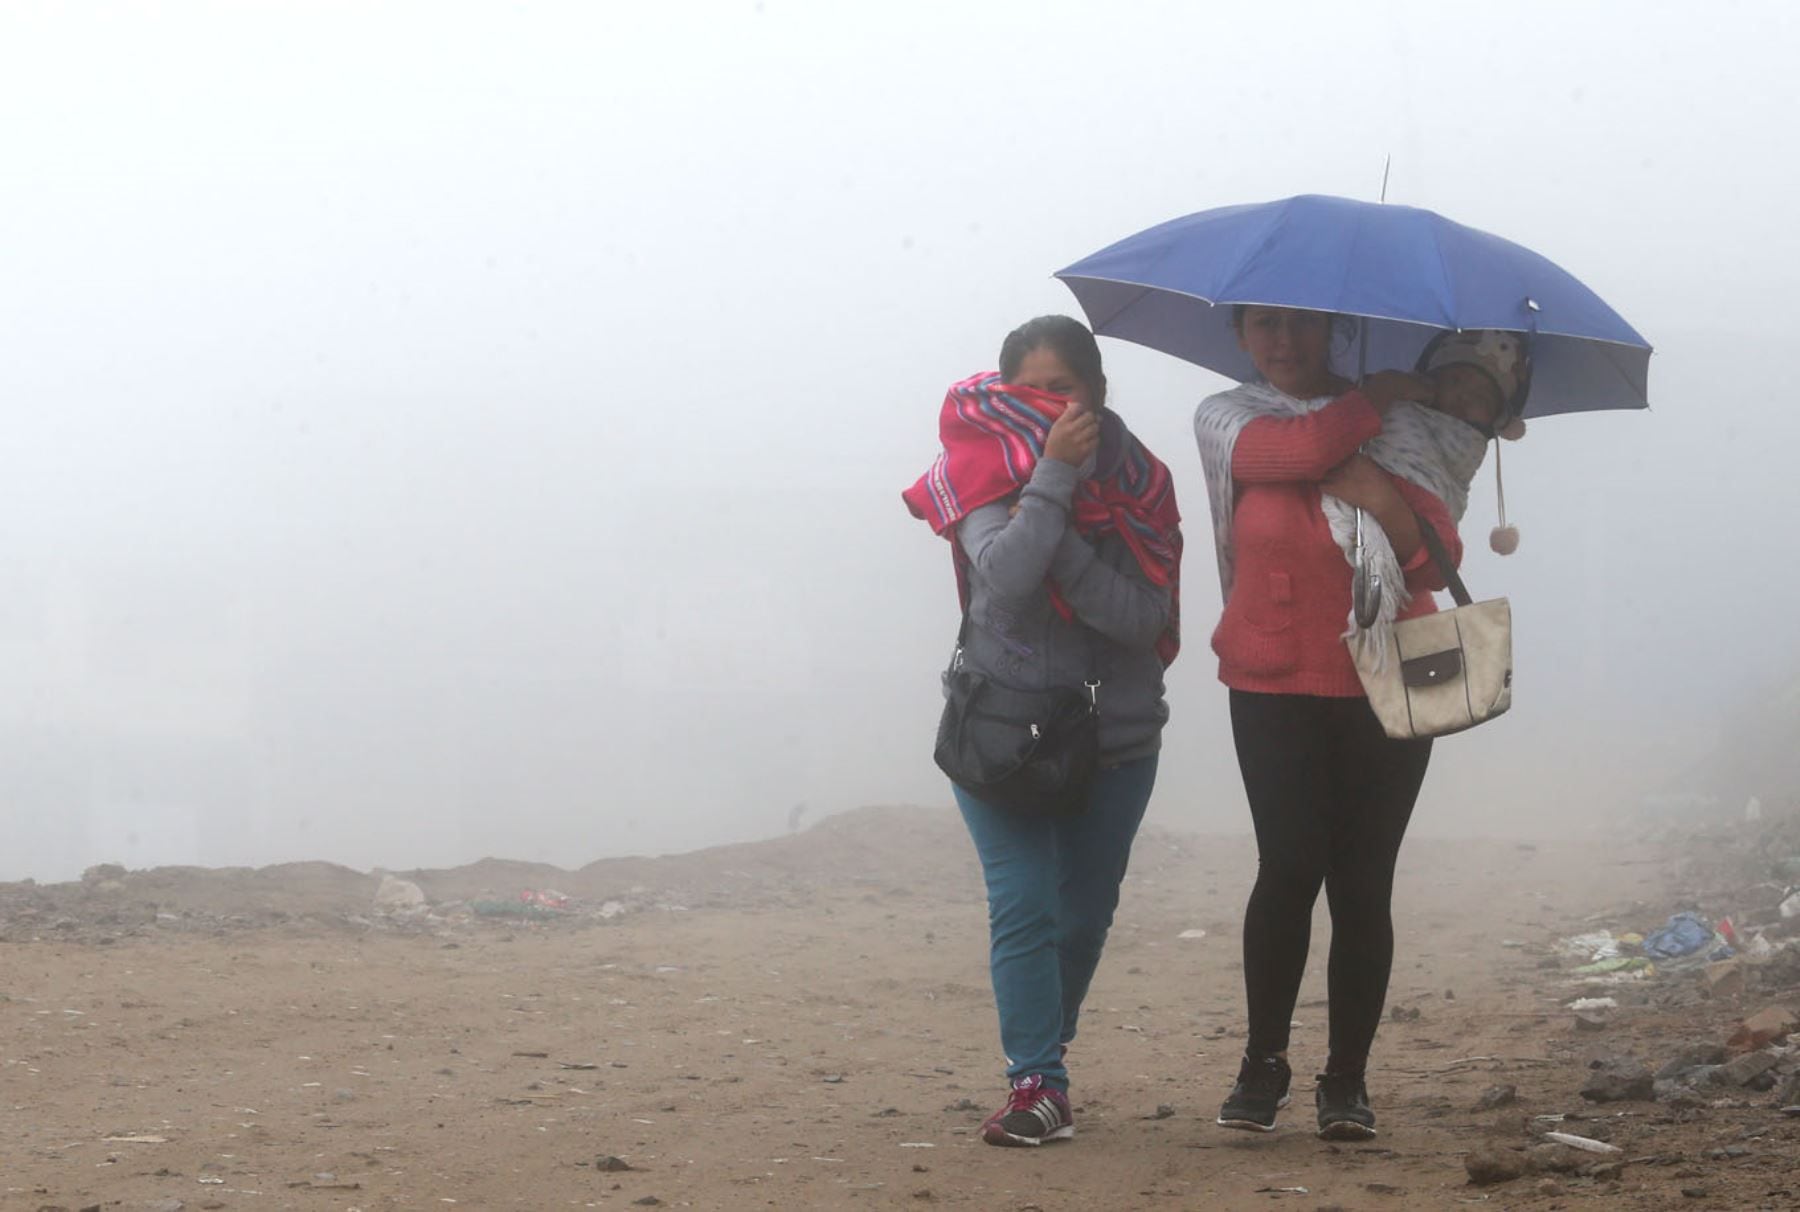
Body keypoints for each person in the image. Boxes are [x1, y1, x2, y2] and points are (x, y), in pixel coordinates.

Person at [903, 315, 1182, 1147]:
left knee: (1082, 917)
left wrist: (1055, 530)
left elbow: (1142, 618)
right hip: (999, 731)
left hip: (1114, 740)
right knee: (1023, 905)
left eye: (1063, 388)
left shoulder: (1142, 481)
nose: (1049, 405)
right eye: (1031, 390)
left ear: (1096, 392)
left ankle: (1043, 1053)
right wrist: (1054, 485)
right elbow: (1008, 579)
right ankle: (1037, 1085)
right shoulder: (978, 471)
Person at [1191, 305, 1468, 1140]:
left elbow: (1434, 563)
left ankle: (1345, 1081)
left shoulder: (1403, 436)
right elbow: (1300, 453)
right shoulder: (1230, 420)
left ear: (1334, 333)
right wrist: (1371, 399)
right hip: (1273, 679)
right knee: (1288, 868)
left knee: (1363, 883)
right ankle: (1262, 1063)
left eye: (1302, 326)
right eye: (1265, 326)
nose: (1282, 342)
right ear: (1240, 335)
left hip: (1387, 683)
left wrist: (1382, 496)